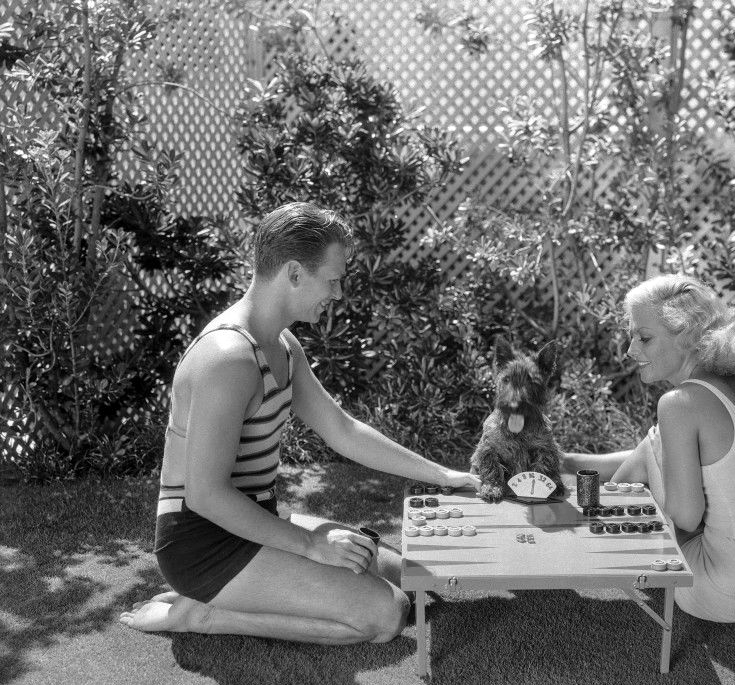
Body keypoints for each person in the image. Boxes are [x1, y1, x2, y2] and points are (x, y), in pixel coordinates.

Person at [120, 202, 480, 644]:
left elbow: (342, 431)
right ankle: (203, 614)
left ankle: (248, 589)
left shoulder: (283, 345)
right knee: (388, 614)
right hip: (203, 545)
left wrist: (444, 476)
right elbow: (205, 495)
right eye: (332, 279)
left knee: (415, 579)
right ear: (294, 273)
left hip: (256, 520)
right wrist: (309, 545)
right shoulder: (228, 358)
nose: (338, 293)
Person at [563, 274, 735, 622]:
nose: (631, 350)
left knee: (655, 444)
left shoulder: (680, 403)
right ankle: (573, 471)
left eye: (644, 338)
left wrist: (645, 486)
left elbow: (685, 518)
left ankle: (592, 519)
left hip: (725, 592)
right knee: (655, 442)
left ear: (689, 337)